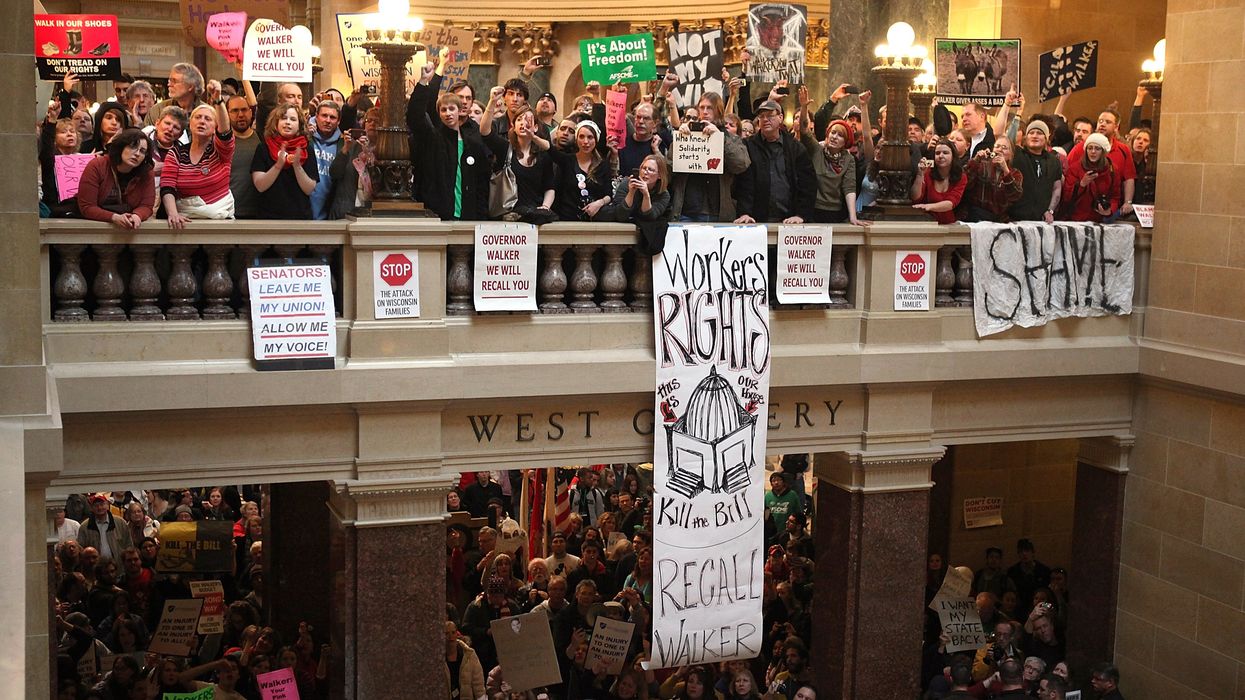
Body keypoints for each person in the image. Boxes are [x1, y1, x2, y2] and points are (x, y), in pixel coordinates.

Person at [408, 85, 490, 220]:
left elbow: (481, 184)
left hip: (467, 216)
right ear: (439, 114)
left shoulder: (473, 144)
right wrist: (423, 82)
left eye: (452, 109)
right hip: (437, 214)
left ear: (460, 111)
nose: (448, 113)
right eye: (443, 110)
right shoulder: (433, 139)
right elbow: (415, 116)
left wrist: (481, 216)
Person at [668, 92, 751, 222]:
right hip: (687, 211)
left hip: (718, 212)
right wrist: (679, 140)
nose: (705, 112)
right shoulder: (689, 134)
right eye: (702, 107)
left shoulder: (731, 138)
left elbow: (741, 164)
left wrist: (721, 138)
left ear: (718, 110)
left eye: (710, 108)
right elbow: (670, 167)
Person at [734, 100, 815, 224]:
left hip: (789, 220)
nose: (765, 119)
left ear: (780, 118)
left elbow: (808, 185)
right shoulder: (748, 146)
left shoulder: (795, 148)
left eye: (770, 115)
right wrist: (744, 213)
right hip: (755, 220)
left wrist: (801, 215)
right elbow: (743, 184)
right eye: (761, 116)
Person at [161, 101, 235, 227]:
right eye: (198, 117)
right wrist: (173, 214)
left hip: (220, 223)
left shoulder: (220, 151)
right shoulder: (176, 153)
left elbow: (225, 133)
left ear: (215, 127)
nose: (202, 121)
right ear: (190, 124)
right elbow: (167, 186)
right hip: (183, 222)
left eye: (208, 119)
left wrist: (218, 101)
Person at [483, 105, 557, 224]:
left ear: (536, 127)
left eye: (528, 120)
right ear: (513, 126)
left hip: (534, 215)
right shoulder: (505, 149)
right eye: (519, 119)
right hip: (507, 214)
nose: (523, 123)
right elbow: (485, 132)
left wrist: (545, 207)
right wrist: (492, 102)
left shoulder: (543, 155)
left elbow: (549, 187)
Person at [74, 128, 155, 228]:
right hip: (95, 227)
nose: (137, 154)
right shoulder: (97, 165)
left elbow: (147, 206)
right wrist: (114, 217)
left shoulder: (147, 172)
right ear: (121, 147)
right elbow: (87, 207)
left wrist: (137, 216)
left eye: (142, 151)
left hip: (130, 228)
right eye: (132, 147)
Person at [1064, 109, 1137, 218]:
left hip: (1107, 211)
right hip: (1080, 211)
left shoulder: (1123, 150)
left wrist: (1127, 202)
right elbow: (1067, 176)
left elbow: (1128, 179)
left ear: (1116, 127)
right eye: (1100, 121)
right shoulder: (1080, 147)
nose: (1102, 124)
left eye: (1107, 122)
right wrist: (1081, 184)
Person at [797, 109, 866, 225]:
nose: (834, 137)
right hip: (812, 210)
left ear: (845, 142)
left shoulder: (848, 159)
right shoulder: (817, 150)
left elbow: (849, 188)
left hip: (835, 212)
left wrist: (853, 217)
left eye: (840, 135)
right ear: (827, 135)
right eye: (833, 133)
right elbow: (804, 130)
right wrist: (804, 107)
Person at [250, 103, 319, 219]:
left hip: (300, 218)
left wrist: (297, 166)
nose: (287, 122)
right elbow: (260, 186)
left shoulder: (307, 149)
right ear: (275, 123)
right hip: (268, 218)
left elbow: (309, 189)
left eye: (293, 119)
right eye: (283, 118)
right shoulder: (264, 148)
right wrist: (278, 166)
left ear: (299, 125)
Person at [549, 120, 615, 222]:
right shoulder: (567, 160)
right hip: (566, 220)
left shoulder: (602, 164)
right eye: (581, 137)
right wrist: (533, 136)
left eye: (590, 137)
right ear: (576, 139)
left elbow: (609, 194)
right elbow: (549, 149)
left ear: (596, 140)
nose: (585, 142)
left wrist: (599, 203)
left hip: (594, 221)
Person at [328, 107, 381, 219]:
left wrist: (371, 155)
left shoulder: (385, 151)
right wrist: (345, 149)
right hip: (344, 211)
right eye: (369, 121)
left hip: (372, 213)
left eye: (377, 121)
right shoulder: (352, 147)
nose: (372, 124)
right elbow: (334, 173)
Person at [957, 135, 1023, 222]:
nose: (1000, 150)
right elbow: (964, 182)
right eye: (997, 146)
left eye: (1004, 148)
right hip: (976, 217)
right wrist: (975, 161)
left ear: (1011, 155)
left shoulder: (1015, 173)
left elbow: (1015, 195)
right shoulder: (982, 165)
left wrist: (1006, 170)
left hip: (998, 221)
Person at [1009, 120, 1063, 223]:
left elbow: (1057, 188)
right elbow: (1008, 139)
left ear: (1046, 138)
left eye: (1039, 133)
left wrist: (1050, 211)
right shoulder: (1017, 154)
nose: (1034, 136)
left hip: (1041, 221)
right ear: (1026, 137)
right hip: (1015, 219)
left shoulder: (1054, 161)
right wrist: (1017, 116)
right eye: (1031, 133)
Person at [1061, 133, 1117, 222]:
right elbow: (1066, 197)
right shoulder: (1075, 168)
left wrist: (1109, 211)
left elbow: (1115, 196)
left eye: (1097, 148)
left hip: (1099, 220)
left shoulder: (1111, 170)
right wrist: (1081, 184)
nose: (1093, 151)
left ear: (1103, 151)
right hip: (1076, 219)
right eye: (1090, 148)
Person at [605, 153, 671, 224]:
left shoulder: (664, 194)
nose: (645, 172)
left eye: (651, 170)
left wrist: (646, 195)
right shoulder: (627, 184)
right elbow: (620, 215)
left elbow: (648, 218)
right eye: (644, 168)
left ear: (660, 175)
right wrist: (631, 193)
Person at [911, 142, 966, 224]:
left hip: (948, 224)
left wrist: (928, 206)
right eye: (937, 153)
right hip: (926, 221)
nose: (941, 156)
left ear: (953, 156)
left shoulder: (961, 176)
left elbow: (951, 203)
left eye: (945, 153)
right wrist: (920, 174)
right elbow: (915, 197)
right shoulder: (928, 171)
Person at [225, 95, 261, 218]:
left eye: (244, 110)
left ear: (251, 112)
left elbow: (268, 101)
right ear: (227, 114)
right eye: (235, 111)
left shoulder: (262, 139)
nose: (240, 115)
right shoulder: (221, 144)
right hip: (228, 213)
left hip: (259, 214)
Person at [38, 115, 81, 216]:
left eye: (72, 131)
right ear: (54, 138)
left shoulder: (82, 159)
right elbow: (47, 151)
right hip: (55, 210)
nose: (69, 134)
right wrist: (52, 121)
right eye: (63, 132)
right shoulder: (49, 160)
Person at [308, 101, 344, 220]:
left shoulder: (343, 145)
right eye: (324, 115)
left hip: (330, 210)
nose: (328, 120)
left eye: (332, 117)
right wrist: (305, 136)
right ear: (316, 117)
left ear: (338, 121)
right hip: (303, 208)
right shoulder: (306, 139)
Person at [146, 62, 206, 127]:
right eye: (170, 80)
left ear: (190, 86)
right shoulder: (157, 111)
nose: (169, 84)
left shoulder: (206, 113)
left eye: (174, 81)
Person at [78, 493, 133, 562]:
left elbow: (129, 545)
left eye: (102, 504)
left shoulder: (120, 523)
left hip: (119, 567)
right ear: (91, 508)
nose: (99, 508)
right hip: (95, 568)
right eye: (96, 505)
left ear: (107, 505)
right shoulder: (84, 527)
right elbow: (81, 549)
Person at [444, 621, 486, 700]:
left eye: (453, 632)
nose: (450, 636)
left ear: (457, 634)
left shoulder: (469, 655)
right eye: (446, 633)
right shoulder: (437, 658)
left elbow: (478, 684)